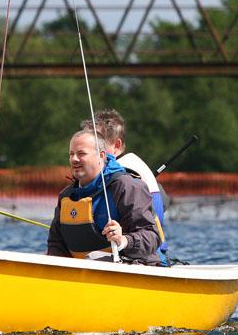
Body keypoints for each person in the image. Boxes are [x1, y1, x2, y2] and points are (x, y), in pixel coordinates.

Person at [46, 130, 163, 265]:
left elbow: (152, 237)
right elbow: (56, 244)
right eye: (71, 154)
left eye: (81, 154)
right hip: (83, 272)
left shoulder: (127, 187)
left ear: (101, 156)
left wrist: (124, 240)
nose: (74, 159)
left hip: (133, 269)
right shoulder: (67, 196)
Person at [81, 109, 169, 253]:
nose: (87, 147)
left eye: (96, 143)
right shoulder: (132, 163)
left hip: (139, 255)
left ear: (116, 145)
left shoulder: (122, 174)